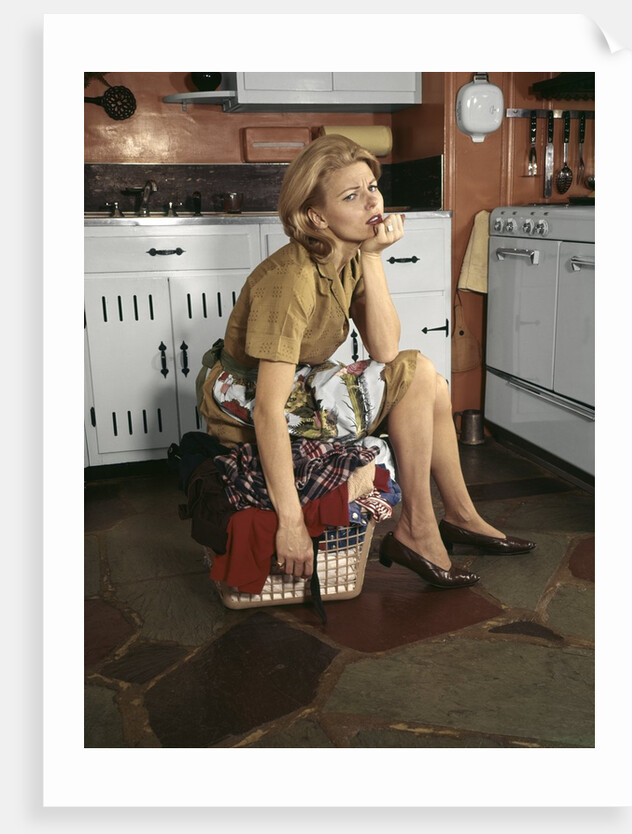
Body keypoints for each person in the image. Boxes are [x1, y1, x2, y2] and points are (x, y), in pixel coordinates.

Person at [199, 134, 534, 589]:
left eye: (371, 188)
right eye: (351, 196)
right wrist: (291, 523)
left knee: (425, 379)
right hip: (242, 401)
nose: (371, 202)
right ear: (317, 216)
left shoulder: (350, 253)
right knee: (418, 376)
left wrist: (373, 258)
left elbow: (384, 349)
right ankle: (419, 527)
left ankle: (458, 515)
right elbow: (265, 408)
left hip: (301, 382)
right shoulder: (291, 280)